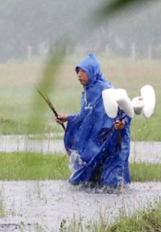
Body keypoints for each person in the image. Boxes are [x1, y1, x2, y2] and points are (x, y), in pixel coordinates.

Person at [55, 53, 131, 188]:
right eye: (77, 71)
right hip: (94, 145)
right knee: (91, 182)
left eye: (83, 71)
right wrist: (68, 118)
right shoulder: (87, 92)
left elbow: (126, 110)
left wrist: (122, 124)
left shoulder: (107, 89)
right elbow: (86, 118)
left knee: (111, 182)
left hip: (110, 142)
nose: (79, 75)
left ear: (92, 71)